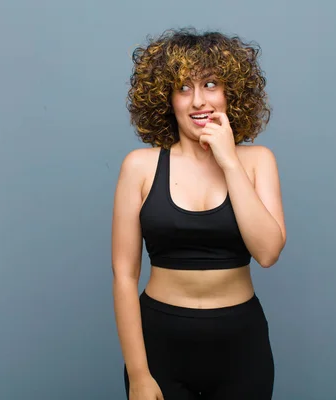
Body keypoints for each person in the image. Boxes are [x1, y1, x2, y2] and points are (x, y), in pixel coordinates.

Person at [111, 27, 287, 400]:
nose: (197, 102)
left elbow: (268, 252)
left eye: (209, 84)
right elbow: (125, 276)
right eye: (183, 88)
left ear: (231, 94)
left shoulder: (257, 162)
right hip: (160, 345)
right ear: (166, 98)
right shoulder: (140, 167)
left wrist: (228, 160)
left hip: (242, 348)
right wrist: (139, 374)